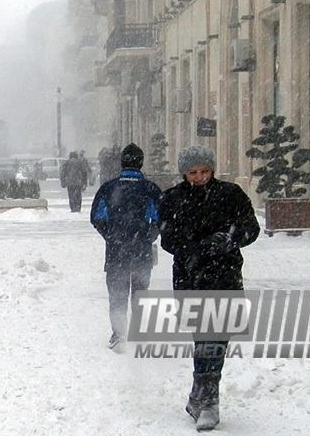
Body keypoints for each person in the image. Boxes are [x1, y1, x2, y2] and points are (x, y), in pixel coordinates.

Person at [158, 145, 260, 431]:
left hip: (225, 275)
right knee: (204, 338)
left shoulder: (230, 194)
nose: (200, 177)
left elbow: (251, 227)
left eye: (204, 171)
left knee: (217, 338)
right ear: (184, 174)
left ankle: (204, 398)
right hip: (190, 278)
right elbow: (167, 239)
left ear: (212, 170)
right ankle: (203, 397)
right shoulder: (172, 199)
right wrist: (196, 247)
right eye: (193, 173)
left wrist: (230, 239)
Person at [90, 143, 163, 351]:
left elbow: (97, 217)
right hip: (141, 251)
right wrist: (148, 236)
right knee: (140, 293)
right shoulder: (150, 189)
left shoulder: (108, 188)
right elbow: (161, 218)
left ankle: (119, 334)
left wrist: (111, 236)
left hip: (116, 252)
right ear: (141, 163)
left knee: (117, 295)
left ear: (121, 163)